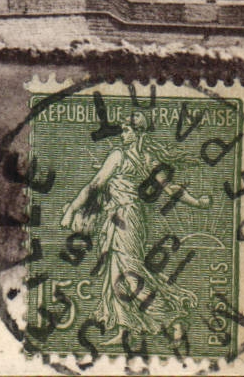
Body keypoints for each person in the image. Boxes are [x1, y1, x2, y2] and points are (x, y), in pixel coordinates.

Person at [59, 110, 212, 342]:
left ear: (138, 132)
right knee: (115, 271)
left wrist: (71, 209)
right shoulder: (149, 159)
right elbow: (171, 189)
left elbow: (94, 185)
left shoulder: (119, 156)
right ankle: (125, 329)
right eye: (123, 129)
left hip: (124, 218)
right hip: (128, 217)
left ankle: (171, 318)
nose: (123, 134)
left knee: (130, 274)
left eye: (127, 129)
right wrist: (198, 203)